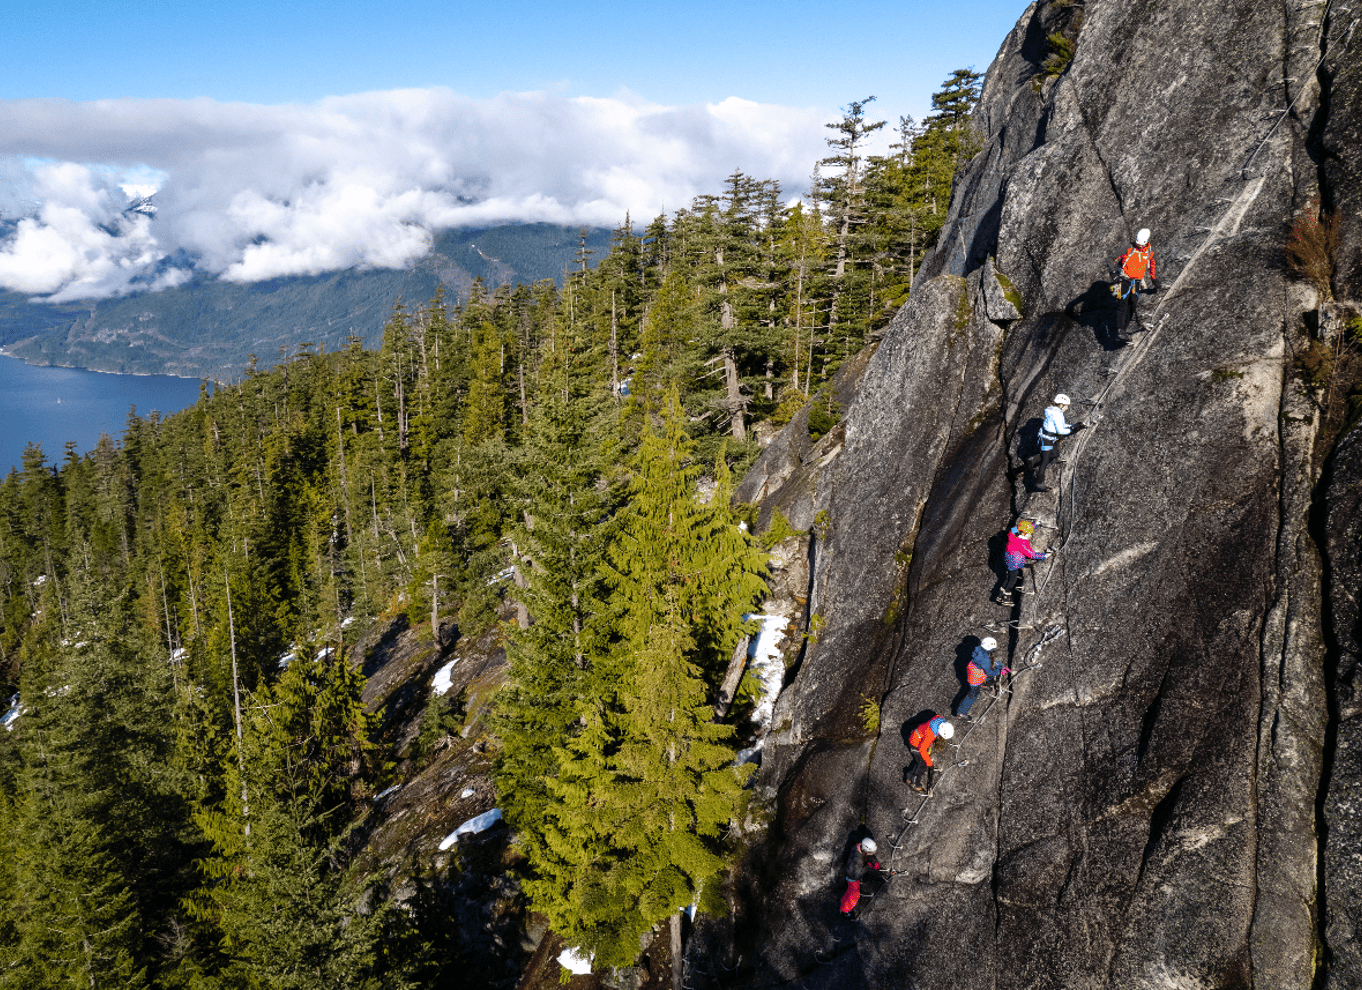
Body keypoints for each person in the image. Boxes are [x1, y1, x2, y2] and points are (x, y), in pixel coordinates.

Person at [1022, 393, 1084, 491]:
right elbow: (1061, 431)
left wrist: (1073, 426)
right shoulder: (1058, 414)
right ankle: (1039, 482)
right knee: (1045, 460)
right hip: (1047, 439)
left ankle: (1032, 460)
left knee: (1055, 454)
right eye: (1066, 406)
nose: (1067, 408)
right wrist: (1073, 429)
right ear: (1061, 405)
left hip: (1048, 438)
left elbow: (1061, 425)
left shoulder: (1052, 411)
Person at [1114, 228, 1156, 339]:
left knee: (1133, 303)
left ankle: (1124, 330)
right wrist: (1114, 274)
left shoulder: (1148, 251)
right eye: (1138, 244)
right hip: (1123, 280)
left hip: (1136, 282)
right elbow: (1111, 258)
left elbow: (1152, 264)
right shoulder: (1128, 248)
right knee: (1122, 303)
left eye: (1142, 245)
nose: (1140, 246)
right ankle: (1120, 331)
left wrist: (1154, 279)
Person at [955, 637, 1009, 721]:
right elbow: (990, 671)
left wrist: (1001, 667)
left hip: (974, 671)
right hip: (975, 677)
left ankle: (983, 684)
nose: (994, 649)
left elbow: (991, 660)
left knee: (988, 679)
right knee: (973, 694)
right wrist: (1000, 671)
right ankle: (961, 713)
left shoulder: (980, 651)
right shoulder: (984, 659)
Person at [997, 520, 1050, 604]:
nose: (1031, 535)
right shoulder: (1022, 543)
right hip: (1014, 563)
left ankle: (1000, 594)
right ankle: (1006, 596)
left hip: (1008, 559)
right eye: (1029, 534)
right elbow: (1031, 554)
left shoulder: (1014, 533)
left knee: (1009, 576)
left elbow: (1024, 529)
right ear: (1024, 534)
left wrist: (1035, 525)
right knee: (1012, 580)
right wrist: (1044, 556)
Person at [907, 715, 954, 793]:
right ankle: (914, 782)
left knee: (923, 759)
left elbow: (936, 716)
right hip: (915, 744)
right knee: (922, 764)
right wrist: (929, 763)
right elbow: (921, 748)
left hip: (919, 736)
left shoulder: (941, 720)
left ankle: (909, 775)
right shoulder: (930, 734)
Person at [840, 837, 882, 917]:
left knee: (850, 892)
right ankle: (845, 911)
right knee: (854, 895)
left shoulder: (861, 847)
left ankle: (844, 904)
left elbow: (869, 854)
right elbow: (858, 872)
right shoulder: (857, 859)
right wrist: (869, 866)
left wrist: (874, 861)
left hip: (855, 874)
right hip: (853, 877)